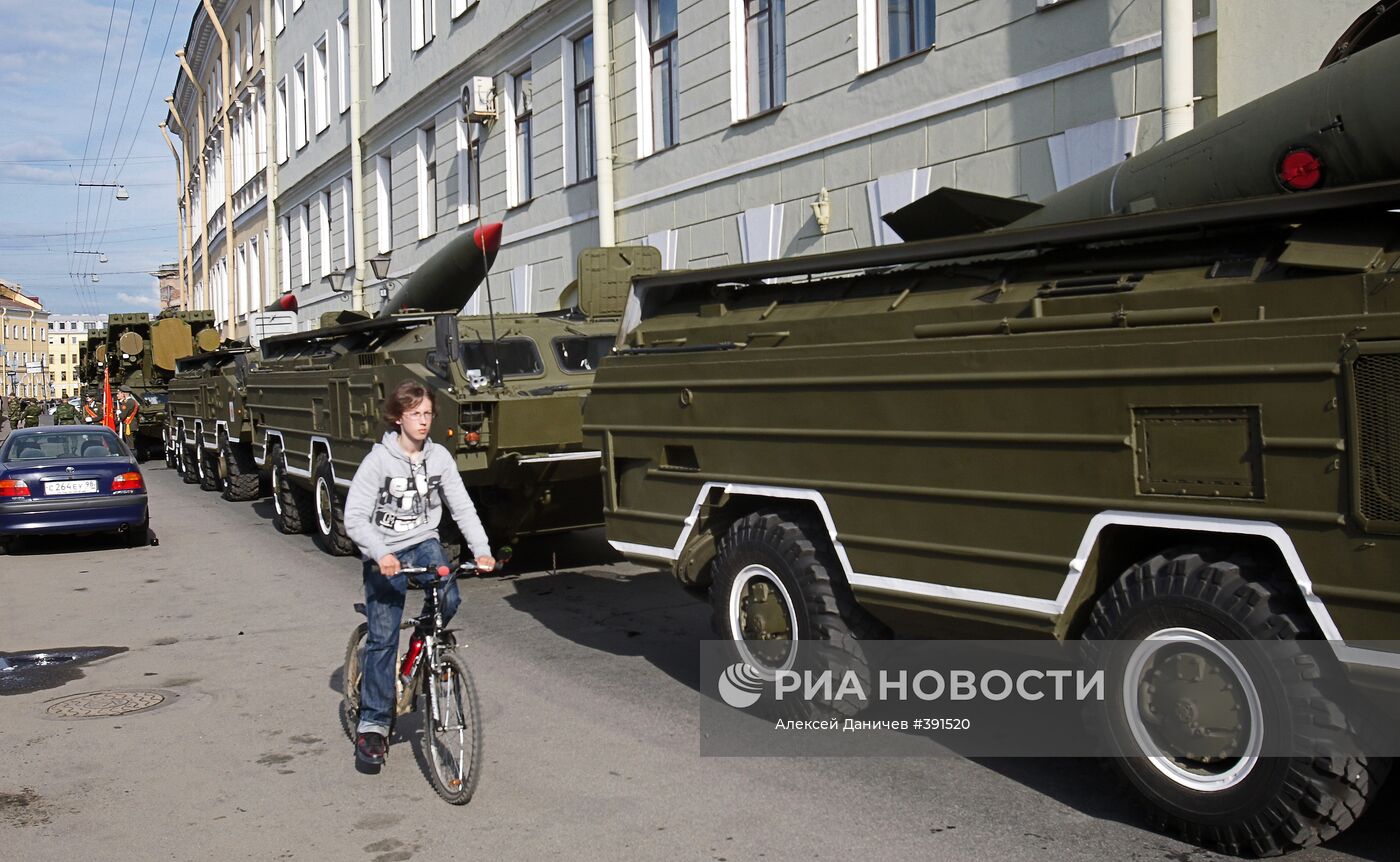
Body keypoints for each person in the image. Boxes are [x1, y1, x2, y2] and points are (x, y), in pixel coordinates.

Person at [343, 380, 495, 771]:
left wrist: (481, 551)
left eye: (428, 413)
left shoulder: (440, 457)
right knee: (383, 636)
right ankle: (373, 724)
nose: (424, 421)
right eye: (416, 414)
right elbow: (355, 518)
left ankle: (426, 643)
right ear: (398, 417)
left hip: (423, 540)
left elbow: (462, 507)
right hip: (384, 548)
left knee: (450, 596)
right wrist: (380, 553)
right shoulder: (378, 461)